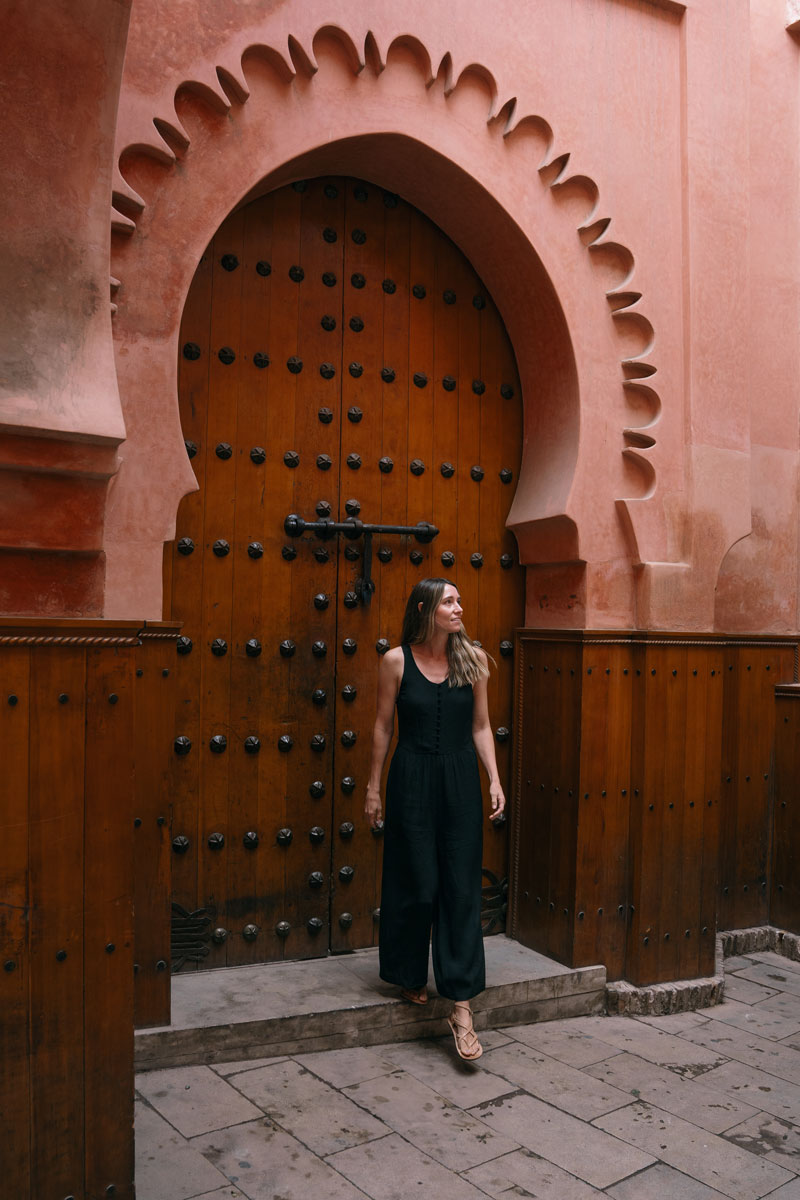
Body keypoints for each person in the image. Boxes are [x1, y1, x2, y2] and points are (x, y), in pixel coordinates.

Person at [365, 578, 506, 1061]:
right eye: (449, 601)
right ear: (425, 609)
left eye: (460, 600)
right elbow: (384, 725)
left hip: (461, 780)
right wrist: (372, 787)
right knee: (416, 881)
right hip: (412, 778)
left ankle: (461, 1006)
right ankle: (408, 974)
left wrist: (493, 779)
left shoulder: (474, 661)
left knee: (460, 887)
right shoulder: (395, 661)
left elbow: (482, 725)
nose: (459, 607)